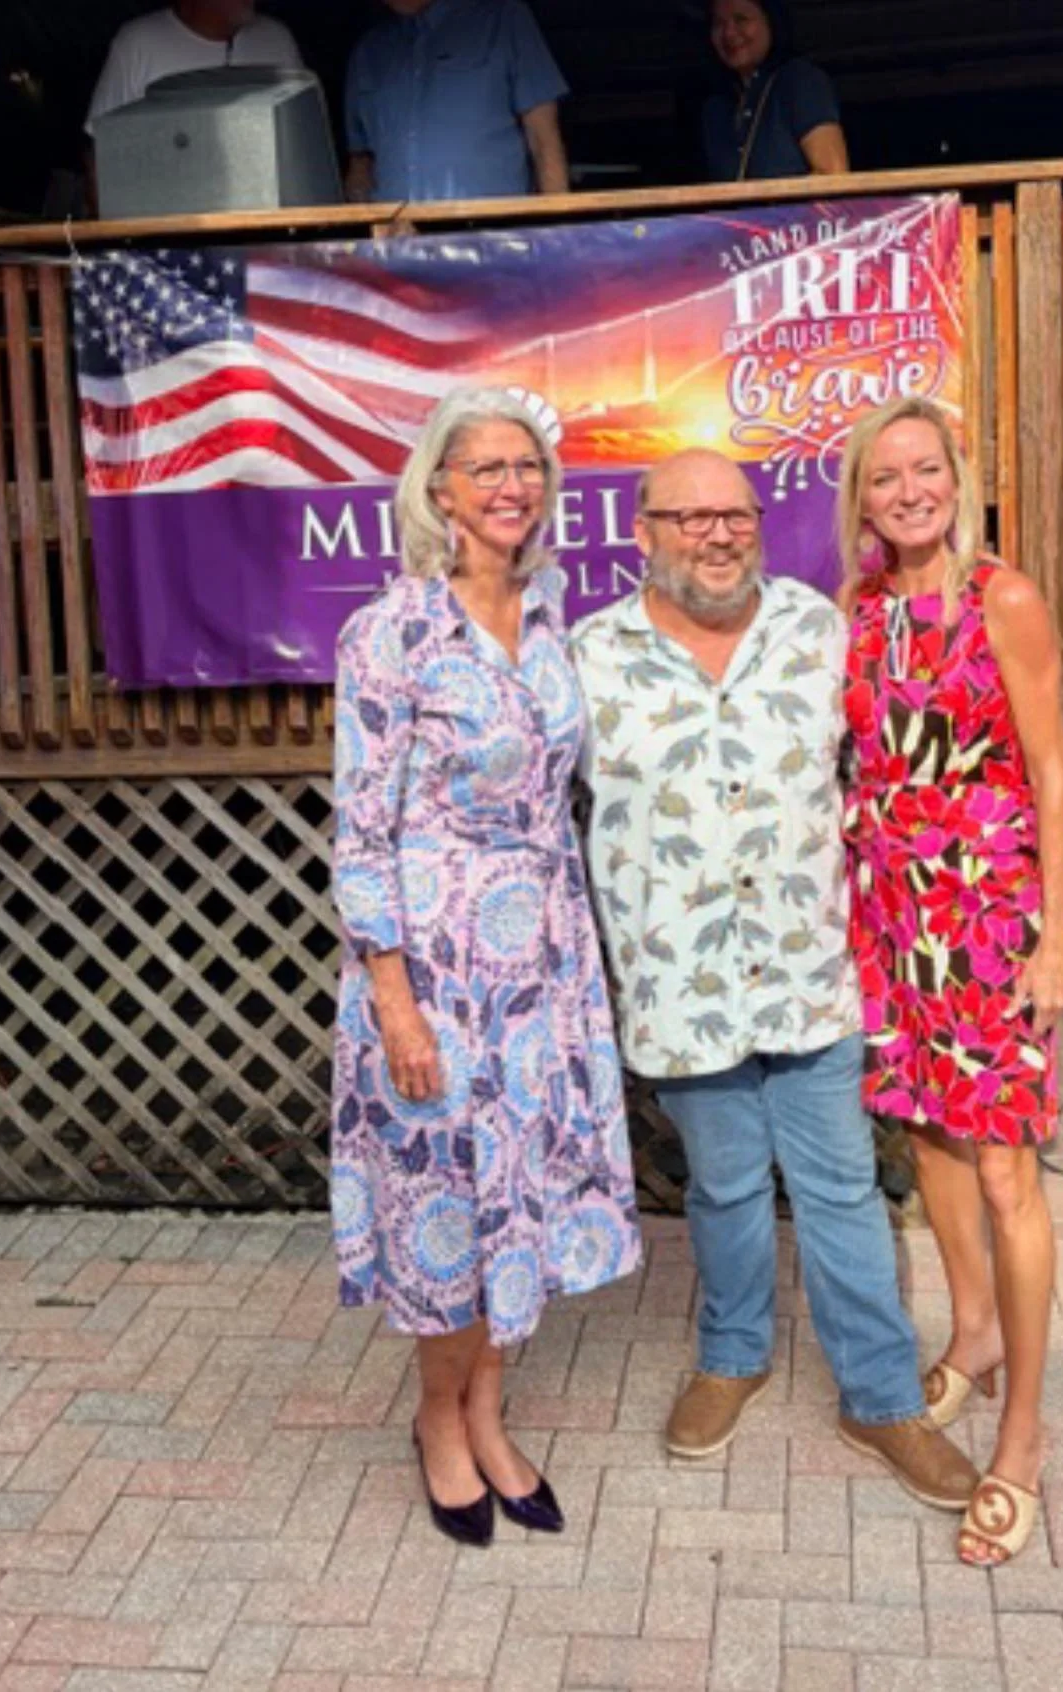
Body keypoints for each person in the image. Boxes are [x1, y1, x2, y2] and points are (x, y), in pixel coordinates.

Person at [571, 447, 979, 1513]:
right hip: (682, 980)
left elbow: (901, 771)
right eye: (689, 516)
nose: (716, 535)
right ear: (644, 530)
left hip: (810, 972)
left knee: (843, 1188)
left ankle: (882, 1396)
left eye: (734, 516)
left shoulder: (817, 631)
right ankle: (732, 1353)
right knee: (724, 1186)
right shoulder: (586, 658)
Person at [330, 387, 641, 1548]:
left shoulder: (552, 618)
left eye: (528, 467)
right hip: (436, 970)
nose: (513, 484)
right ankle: (437, 1420)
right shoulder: (393, 633)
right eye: (486, 468)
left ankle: (494, 1412)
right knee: (443, 1204)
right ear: (439, 489)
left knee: (524, 1191)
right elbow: (361, 834)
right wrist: (394, 1003)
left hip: (546, 965)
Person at [838, 396, 1063, 1566]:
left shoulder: (1006, 599)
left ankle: (1024, 1433)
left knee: (1003, 1168)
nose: (908, 492)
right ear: (862, 501)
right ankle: (973, 1333)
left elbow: (1052, 771)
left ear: (955, 476)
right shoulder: (861, 612)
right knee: (928, 1143)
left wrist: (1058, 937)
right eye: (884, 478)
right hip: (893, 921)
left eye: (923, 470)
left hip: (988, 922)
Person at [344, 0, 569, 205]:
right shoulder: (368, 51)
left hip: (491, 239)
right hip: (395, 241)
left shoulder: (504, 19)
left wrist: (560, 237)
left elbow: (544, 140)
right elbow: (361, 165)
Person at [702, 0, 848, 183]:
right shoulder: (716, 106)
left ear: (771, 22)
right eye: (718, 23)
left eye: (741, 19)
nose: (729, 33)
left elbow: (833, 174)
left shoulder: (799, 79)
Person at [86, 2, 302, 124]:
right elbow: (99, 154)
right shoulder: (139, 42)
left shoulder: (277, 40)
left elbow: (303, 136)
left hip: (263, 202)